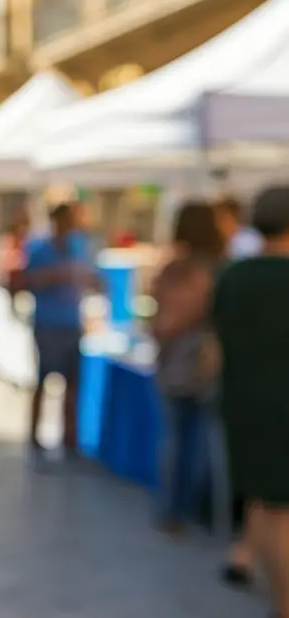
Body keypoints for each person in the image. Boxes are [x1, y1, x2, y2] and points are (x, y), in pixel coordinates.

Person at [214, 185, 289, 618]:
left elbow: (218, 340)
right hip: (279, 405)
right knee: (277, 507)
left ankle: (258, 572)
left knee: (262, 499)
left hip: (243, 403)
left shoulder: (233, 275)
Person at [149, 202, 224, 534]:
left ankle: (177, 509)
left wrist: (165, 331)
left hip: (179, 361)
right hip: (193, 363)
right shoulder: (209, 269)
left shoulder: (179, 269)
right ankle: (188, 509)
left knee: (181, 439)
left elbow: (161, 316)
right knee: (192, 440)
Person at [23, 203, 95, 468]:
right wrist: (56, 275)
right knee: (43, 381)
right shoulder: (40, 248)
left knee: (73, 386)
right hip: (47, 324)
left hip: (71, 323)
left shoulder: (79, 247)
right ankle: (34, 437)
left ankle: (69, 440)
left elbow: (91, 276)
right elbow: (28, 280)